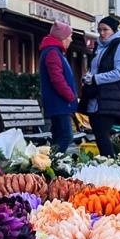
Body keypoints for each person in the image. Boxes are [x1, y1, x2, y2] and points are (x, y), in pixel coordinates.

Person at [83, 15, 120, 155]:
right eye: (100, 30)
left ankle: (110, 163)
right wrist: (87, 77)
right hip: (96, 98)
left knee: (102, 134)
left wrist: (95, 78)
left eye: (105, 29)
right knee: (100, 135)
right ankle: (109, 162)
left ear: (114, 30)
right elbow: (95, 69)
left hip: (112, 99)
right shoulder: (99, 47)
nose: (102, 33)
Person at [36, 20, 78, 154]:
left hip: (59, 104)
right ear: (62, 37)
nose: (71, 39)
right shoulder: (53, 53)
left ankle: (50, 162)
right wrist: (70, 96)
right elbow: (57, 79)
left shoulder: (54, 51)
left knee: (59, 136)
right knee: (66, 136)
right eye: (70, 36)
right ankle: (51, 161)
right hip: (59, 104)